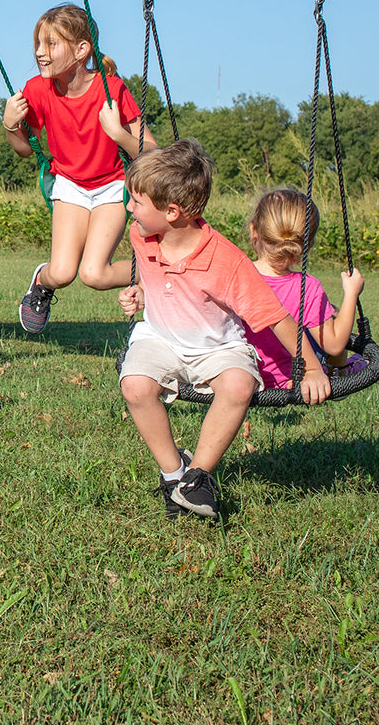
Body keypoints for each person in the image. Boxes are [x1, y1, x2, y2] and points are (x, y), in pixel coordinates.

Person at [117, 141, 329, 520]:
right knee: (134, 385)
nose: (130, 208)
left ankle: (198, 478)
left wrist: (312, 368)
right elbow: (162, 281)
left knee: (238, 385)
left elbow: (277, 317)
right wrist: (142, 294)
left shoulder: (227, 262)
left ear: (172, 211)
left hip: (217, 345)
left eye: (136, 201)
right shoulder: (141, 235)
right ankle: (173, 474)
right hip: (160, 338)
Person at [3, 4, 156, 333]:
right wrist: (10, 127)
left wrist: (119, 136)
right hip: (69, 184)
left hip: (112, 185)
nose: (40, 53)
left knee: (94, 274)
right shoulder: (38, 89)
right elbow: (25, 150)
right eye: (38, 45)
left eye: (51, 44)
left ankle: (156, 271)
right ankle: (42, 284)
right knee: (62, 273)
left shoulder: (111, 89)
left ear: (82, 49)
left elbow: (152, 151)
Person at [244, 187, 366, 388]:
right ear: (308, 244)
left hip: (245, 374)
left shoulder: (238, 274)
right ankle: (339, 373)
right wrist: (352, 293)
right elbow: (334, 345)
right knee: (333, 314)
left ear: (253, 230)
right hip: (295, 375)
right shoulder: (306, 286)